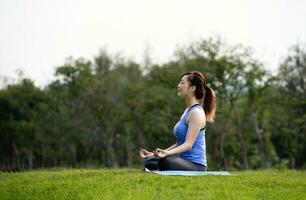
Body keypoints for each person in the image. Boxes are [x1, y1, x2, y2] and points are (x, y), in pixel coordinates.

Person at [139, 71, 217, 171]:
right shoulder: (187, 111)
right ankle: (154, 167)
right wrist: (155, 154)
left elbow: (188, 145)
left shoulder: (196, 113)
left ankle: (156, 170)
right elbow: (179, 144)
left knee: (164, 161)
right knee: (150, 161)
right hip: (183, 161)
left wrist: (166, 154)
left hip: (196, 166)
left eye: (182, 83)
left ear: (192, 88)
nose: (178, 85)